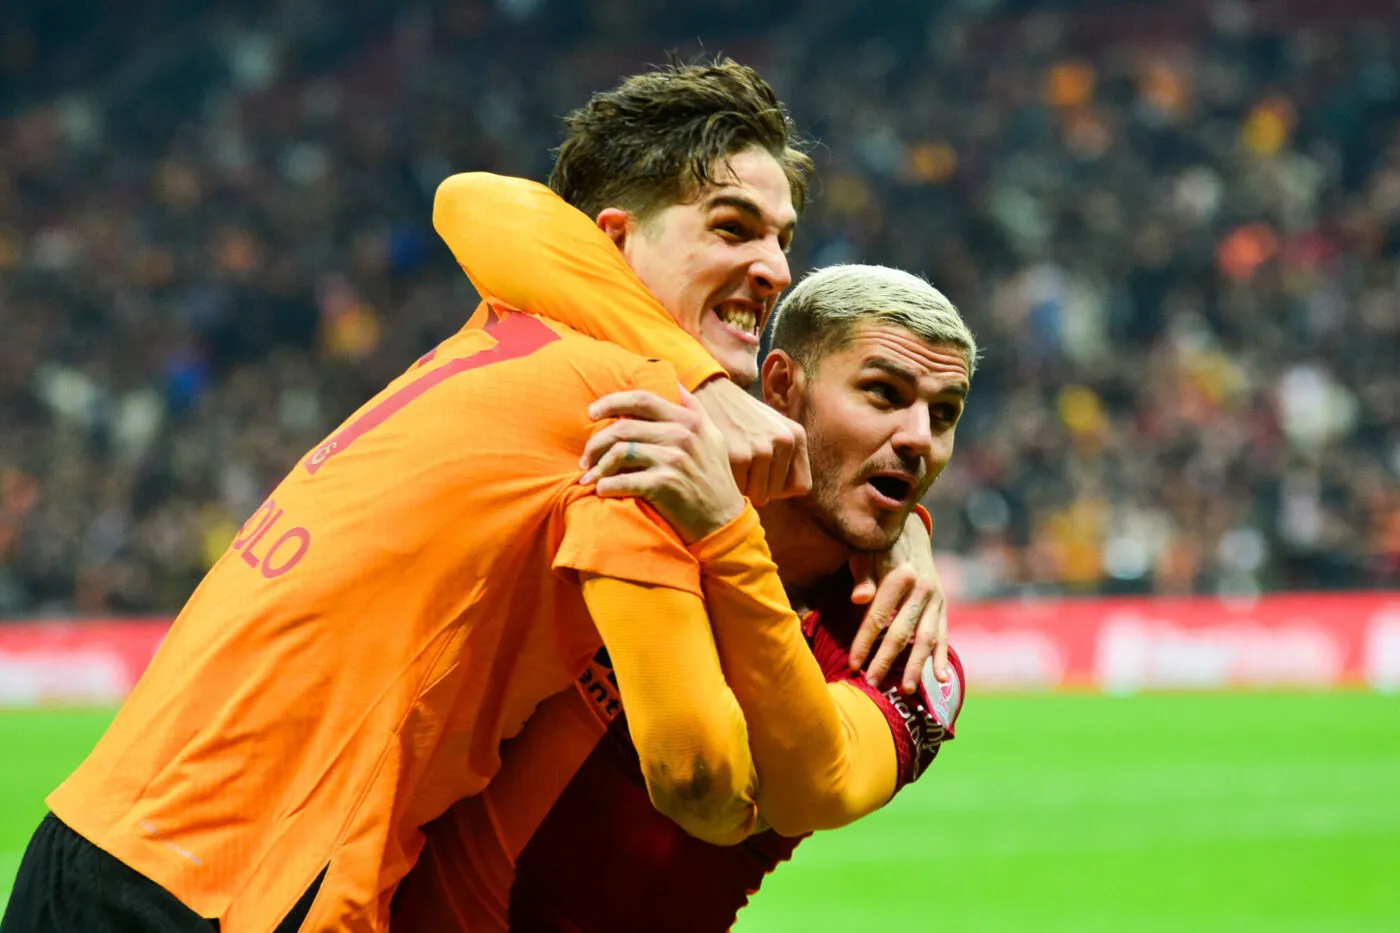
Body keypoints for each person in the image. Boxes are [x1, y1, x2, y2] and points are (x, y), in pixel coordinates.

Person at [1, 59, 944, 933]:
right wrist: (709, 446)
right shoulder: (642, 424)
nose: (776, 268)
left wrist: (898, 524)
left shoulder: (507, 324)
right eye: (732, 227)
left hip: (94, 830)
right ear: (611, 240)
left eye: (783, 240)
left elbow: (480, 201)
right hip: (244, 887)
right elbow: (699, 773)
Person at [391, 263, 975, 931]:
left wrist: (730, 536)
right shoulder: (640, 464)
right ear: (782, 384)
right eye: (883, 393)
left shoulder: (906, 649)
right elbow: (479, 209)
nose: (919, 438)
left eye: (945, 412)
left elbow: (819, 783)